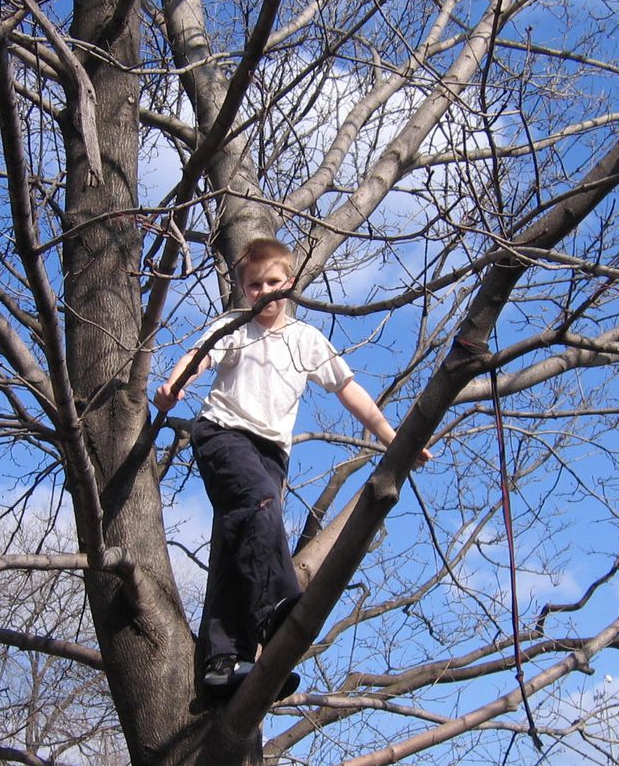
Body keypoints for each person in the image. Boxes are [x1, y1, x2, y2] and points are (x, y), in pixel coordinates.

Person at [154, 237, 430, 694]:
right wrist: (173, 386)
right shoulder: (234, 329)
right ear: (243, 289)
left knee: (236, 540)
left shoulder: (306, 339)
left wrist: (395, 440)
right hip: (223, 434)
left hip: (271, 452)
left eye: (273, 282)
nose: (264, 291)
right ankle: (277, 607)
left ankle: (224, 661)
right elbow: (198, 357)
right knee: (261, 507)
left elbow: (349, 390)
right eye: (254, 285)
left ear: (292, 284)